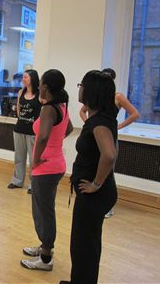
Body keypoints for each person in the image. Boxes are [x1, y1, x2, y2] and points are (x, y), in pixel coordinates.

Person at [59, 71, 118, 284]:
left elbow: (109, 154)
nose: (80, 88)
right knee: (85, 244)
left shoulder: (99, 122)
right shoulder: (99, 117)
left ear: (91, 91)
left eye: (81, 84)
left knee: (84, 246)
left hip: (95, 196)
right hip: (94, 194)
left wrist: (95, 184)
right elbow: (97, 154)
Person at [21, 69, 73, 271]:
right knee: (43, 210)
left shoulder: (49, 109)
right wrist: (54, 145)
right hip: (56, 162)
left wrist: (35, 160)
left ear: (45, 87)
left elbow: (42, 137)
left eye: (41, 82)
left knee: (44, 212)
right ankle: (44, 247)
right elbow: (67, 129)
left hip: (46, 167)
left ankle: (45, 258)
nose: (39, 84)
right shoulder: (62, 106)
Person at [79, 68, 139, 218]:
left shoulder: (117, 97)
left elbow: (135, 114)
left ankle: (107, 205)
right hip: (98, 134)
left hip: (109, 136)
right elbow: (82, 111)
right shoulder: (95, 101)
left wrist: (119, 126)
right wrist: (89, 124)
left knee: (108, 170)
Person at [7, 69, 41, 194]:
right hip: (19, 129)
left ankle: (33, 184)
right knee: (19, 157)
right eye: (23, 77)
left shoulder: (40, 95)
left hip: (33, 132)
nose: (23, 79)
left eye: (25, 77)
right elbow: (19, 109)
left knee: (33, 159)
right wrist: (23, 118)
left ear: (32, 78)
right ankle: (17, 181)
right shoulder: (21, 92)